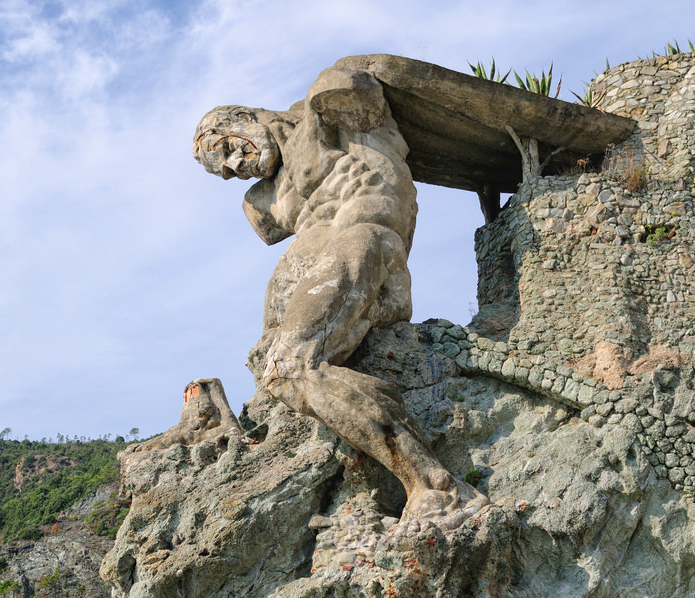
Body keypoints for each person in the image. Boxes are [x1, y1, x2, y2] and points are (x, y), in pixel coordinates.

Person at [193, 65, 487, 527]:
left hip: (365, 239)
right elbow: (270, 227)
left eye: (228, 147)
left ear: (245, 117)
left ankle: (435, 484)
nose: (234, 165)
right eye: (224, 170)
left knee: (291, 368)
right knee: (274, 369)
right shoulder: (263, 201)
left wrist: (324, 99)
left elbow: (359, 86)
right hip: (315, 268)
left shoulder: (322, 111)